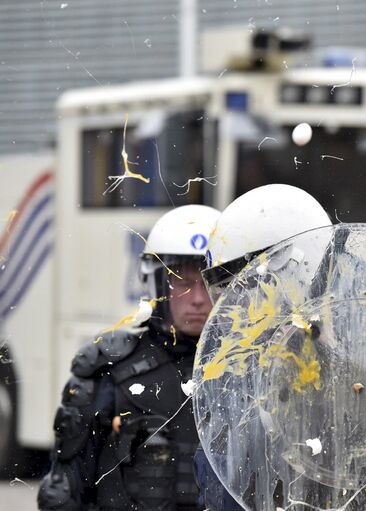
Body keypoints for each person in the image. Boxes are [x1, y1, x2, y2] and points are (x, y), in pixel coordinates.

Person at [37, 204, 220, 511]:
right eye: (184, 283)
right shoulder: (112, 369)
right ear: (157, 284)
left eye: (209, 282)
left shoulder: (252, 371)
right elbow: (66, 494)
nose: (199, 299)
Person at [193, 184, 332, 511]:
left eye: (251, 284)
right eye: (230, 288)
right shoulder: (233, 373)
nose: (240, 304)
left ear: (298, 267)